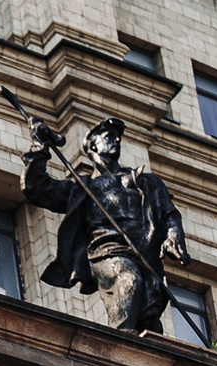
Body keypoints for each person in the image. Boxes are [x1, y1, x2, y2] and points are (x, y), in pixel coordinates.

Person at [20, 116, 189, 335]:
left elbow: (169, 214)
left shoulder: (147, 182)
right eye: (109, 136)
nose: (116, 140)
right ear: (92, 145)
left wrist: (173, 237)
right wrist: (39, 147)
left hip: (145, 254)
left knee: (149, 311)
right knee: (128, 281)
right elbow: (37, 188)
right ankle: (122, 349)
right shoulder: (84, 187)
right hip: (108, 251)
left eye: (118, 136)